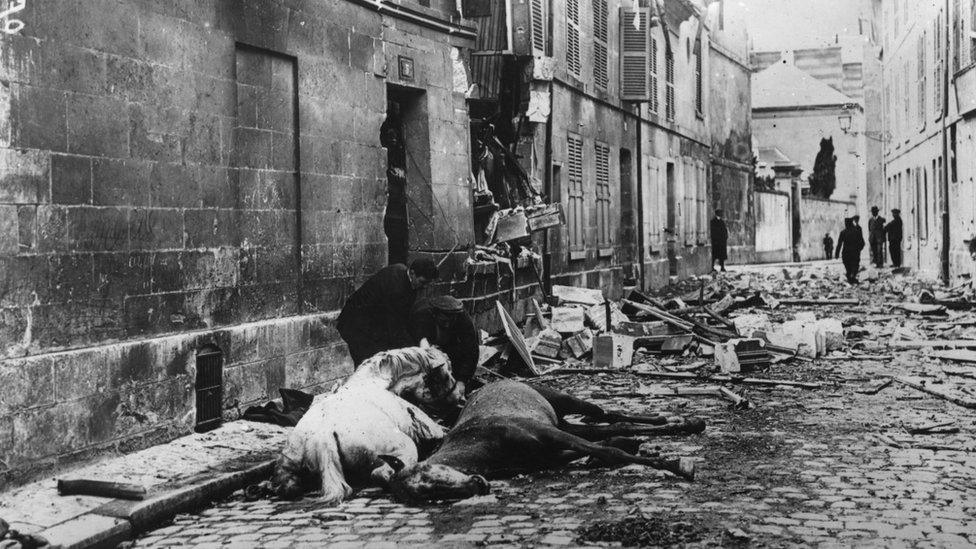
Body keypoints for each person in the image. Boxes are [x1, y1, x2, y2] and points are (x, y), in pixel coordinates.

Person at [336, 257, 439, 365]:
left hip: (373, 322)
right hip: (356, 324)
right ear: (412, 273)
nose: (424, 287)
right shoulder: (396, 287)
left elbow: (406, 318)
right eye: (423, 282)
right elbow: (396, 327)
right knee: (371, 365)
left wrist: (421, 339)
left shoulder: (406, 275)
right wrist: (417, 351)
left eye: (427, 283)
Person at [410, 295, 479, 394]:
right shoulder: (421, 314)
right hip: (428, 339)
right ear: (435, 314)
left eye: (451, 321)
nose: (447, 325)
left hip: (451, 344)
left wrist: (462, 381)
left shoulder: (463, 319)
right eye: (444, 321)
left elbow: (471, 351)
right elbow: (415, 339)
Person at [835, 217, 865, 284]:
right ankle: (852, 277)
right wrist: (858, 250)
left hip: (846, 254)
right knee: (855, 267)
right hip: (855, 253)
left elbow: (839, 244)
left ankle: (850, 278)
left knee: (848, 268)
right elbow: (862, 243)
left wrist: (837, 254)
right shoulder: (857, 232)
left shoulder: (843, 232)